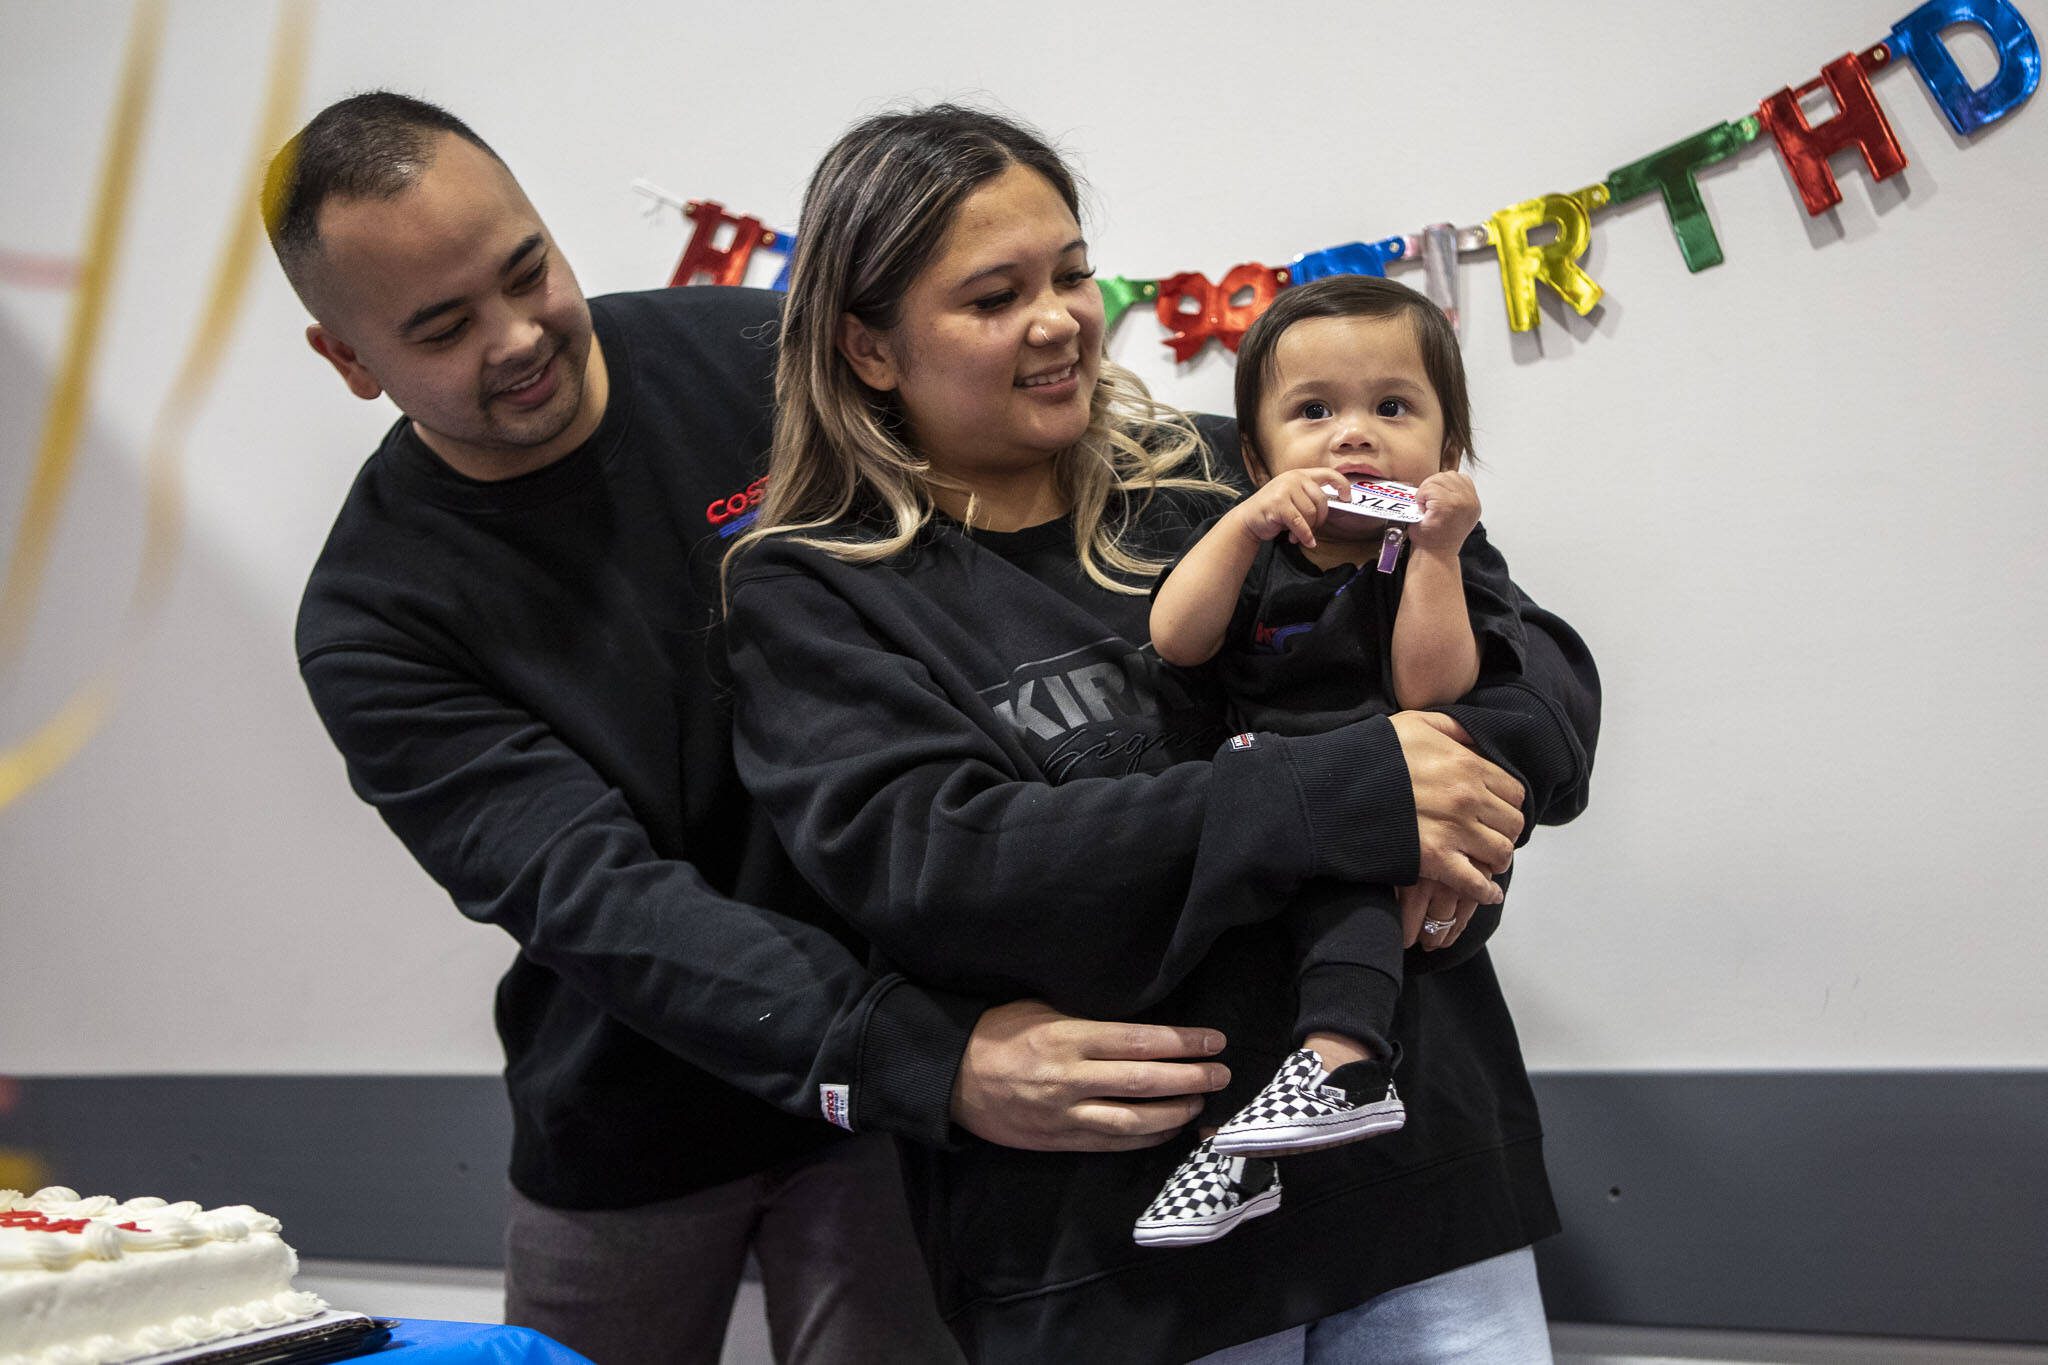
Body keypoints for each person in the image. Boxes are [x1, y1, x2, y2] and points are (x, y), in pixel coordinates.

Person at [263, 92, 1239, 1365]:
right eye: (443, 327)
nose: (515, 338)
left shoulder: (764, 361)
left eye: (526, 272)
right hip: (645, 1114)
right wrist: (921, 1056)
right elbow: (599, 902)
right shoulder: (374, 615)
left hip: (904, 1105)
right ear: (348, 361)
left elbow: (1032, 526)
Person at [724, 104, 1599, 1363]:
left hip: (1416, 1180)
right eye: (992, 296)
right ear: (868, 346)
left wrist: (1461, 794)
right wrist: (1347, 792)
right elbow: (946, 870)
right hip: (1119, 1244)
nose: (1057, 320)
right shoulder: (815, 591)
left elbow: (1540, 684)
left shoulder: (1228, 467)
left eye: (1071, 273)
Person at [1137, 274, 1532, 1242]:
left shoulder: (1421, 558)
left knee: (1348, 899)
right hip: (1256, 803)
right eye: (1312, 412)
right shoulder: (1251, 546)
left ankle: (1344, 1061)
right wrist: (1241, 521)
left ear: (1444, 447)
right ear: (1254, 451)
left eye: (1389, 408)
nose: (1351, 434)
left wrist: (1436, 553)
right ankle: (1244, 1155)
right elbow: (1176, 638)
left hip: (1369, 801)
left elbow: (1432, 688)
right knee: (1230, 961)